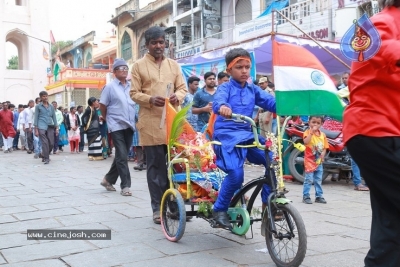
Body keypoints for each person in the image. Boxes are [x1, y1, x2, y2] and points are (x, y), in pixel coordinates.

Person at [343, 2, 400, 266]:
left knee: (391, 220)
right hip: (376, 132)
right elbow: (388, 52)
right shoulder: (379, 22)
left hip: (383, 132)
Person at [211, 48, 276, 228]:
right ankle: (219, 209)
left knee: (272, 161)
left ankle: (268, 203)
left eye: (247, 67)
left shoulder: (253, 89)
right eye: (239, 67)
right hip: (227, 137)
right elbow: (218, 101)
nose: (245, 71)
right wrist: (223, 107)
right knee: (236, 174)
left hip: (247, 135)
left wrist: (288, 104)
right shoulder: (225, 87)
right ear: (229, 69)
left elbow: (270, 102)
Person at [130, 26, 187, 224]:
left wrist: (176, 96)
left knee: (174, 166)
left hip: (172, 122)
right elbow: (133, 93)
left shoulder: (174, 65)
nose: (158, 46)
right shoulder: (138, 66)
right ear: (147, 45)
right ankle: (158, 208)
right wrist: (150, 99)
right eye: (154, 42)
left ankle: (174, 205)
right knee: (156, 168)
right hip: (151, 123)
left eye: (161, 42)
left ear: (166, 44)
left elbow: (183, 88)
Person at [100, 58, 136, 197]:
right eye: (121, 68)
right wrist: (107, 117)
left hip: (129, 124)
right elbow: (103, 105)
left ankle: (108, 179)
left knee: (122, 155)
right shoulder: (109, 87)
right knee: (122, 155)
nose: (124, 70)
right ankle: (125, 186)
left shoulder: (131, 86)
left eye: (126, 68)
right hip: (116, 124)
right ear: (114, 72)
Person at [302, 116, 329, 204]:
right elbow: (306, 142)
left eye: (318, 123)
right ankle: (306, 196)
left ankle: (319, 196)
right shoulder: (307, 132)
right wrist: (311, 133)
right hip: (309, 160)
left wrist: (322, 156)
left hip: (318, 161)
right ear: (309, 123)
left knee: (318, 179)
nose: (315, 124)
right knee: (309, 179)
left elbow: (325, 148)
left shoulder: (323, 135)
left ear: (321, 124)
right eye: (313, 122)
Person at [33, 91, 58, 164]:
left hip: (50, 126)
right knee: (45, 143)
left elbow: (54, 117)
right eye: (43, 96)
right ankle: (46, 158)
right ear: (41, 97)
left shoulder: (51, 106)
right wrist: (36, 129)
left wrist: (56, 128)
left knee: (51, 143)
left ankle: (43, 154)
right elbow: (36, 118)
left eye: (46, 96)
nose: (45, 97)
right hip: (41, 126)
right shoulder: (38, 106)